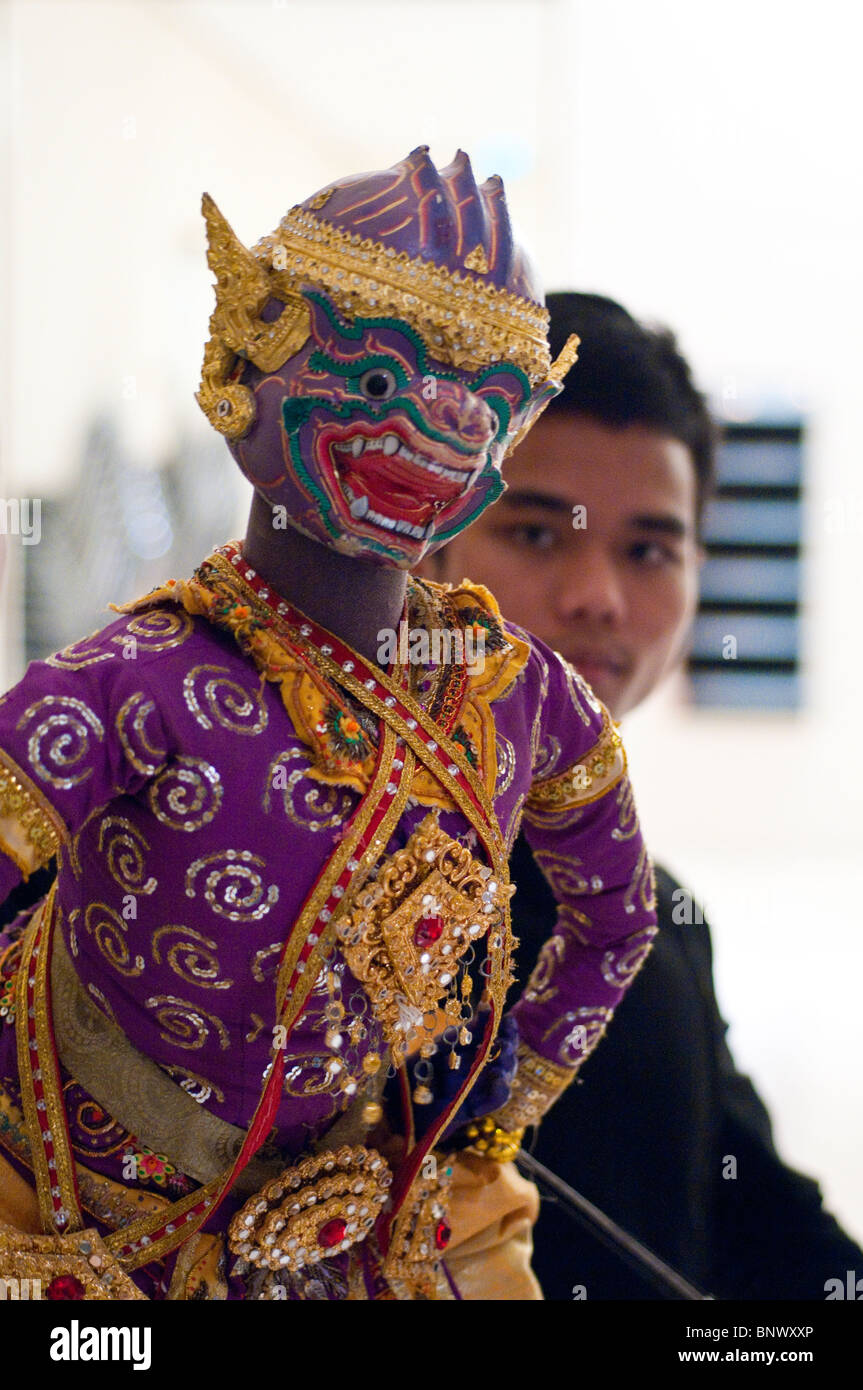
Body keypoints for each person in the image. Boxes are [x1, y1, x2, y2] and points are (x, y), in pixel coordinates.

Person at [0, 154, 658, 1300]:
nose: (442, 420)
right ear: (240, 362)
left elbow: (617, 920)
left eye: (487, 394)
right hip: (69, 1216)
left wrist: (492, 1126)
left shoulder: (518, 694)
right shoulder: (123, 691)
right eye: (377, 370)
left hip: (366, 1222)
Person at [428, 291, 863, 1299]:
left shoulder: (657, 920)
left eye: (648, 550)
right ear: (426, 543)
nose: (598, 596)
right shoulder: (286, 879)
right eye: (536, 534)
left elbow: (759, 1226)